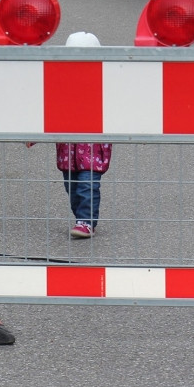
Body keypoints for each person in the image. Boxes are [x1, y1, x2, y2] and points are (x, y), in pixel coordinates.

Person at [57, 31, 110, 239]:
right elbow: (50, 113)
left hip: (93, 148)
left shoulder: (102, 85)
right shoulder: (60, 86)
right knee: (72, 188)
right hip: (67, 150)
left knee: (88, 185)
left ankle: (86, 221)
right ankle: (81, 217)